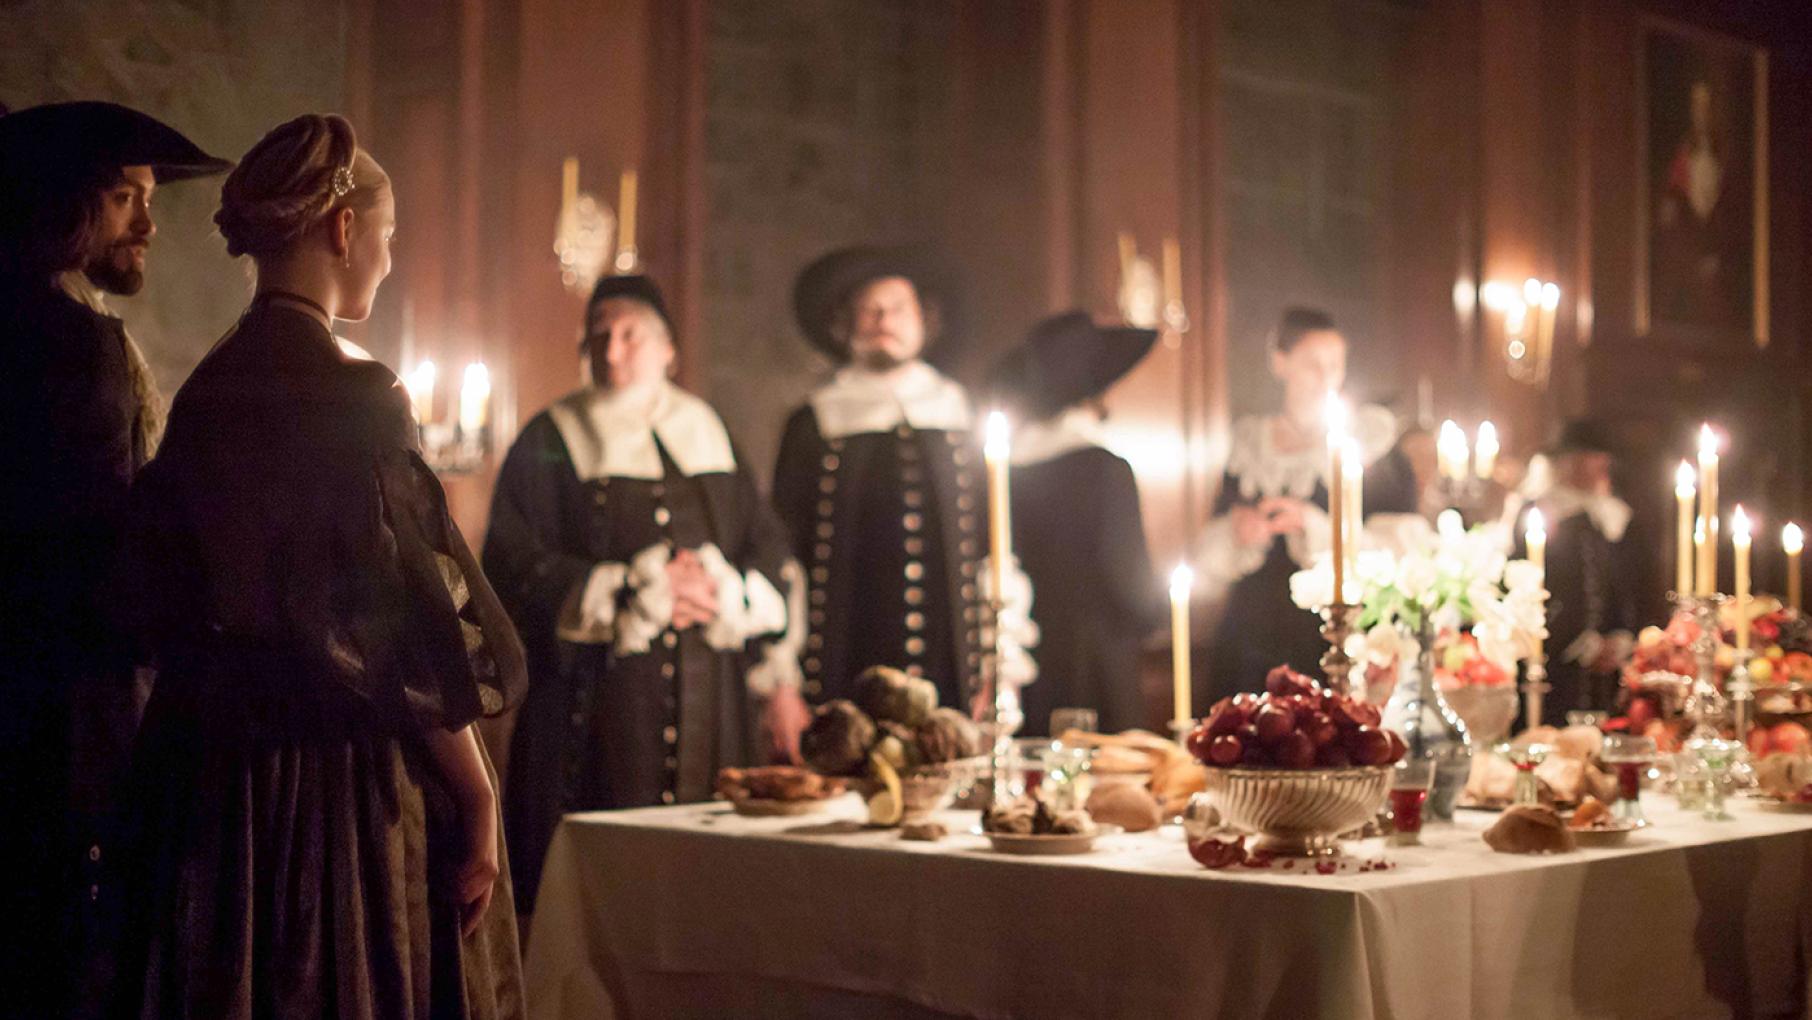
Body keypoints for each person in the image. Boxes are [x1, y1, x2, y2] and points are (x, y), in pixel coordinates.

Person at [111, 114, 527, 1018]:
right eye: (388, 235)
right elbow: (404, 625)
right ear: (344, 230)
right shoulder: (356, 396)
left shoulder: (207, 392)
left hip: (206, 776)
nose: (386, 258)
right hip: (328, 783)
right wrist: (478, 794)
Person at [0, 100, 229, 1020]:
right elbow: (99, 549)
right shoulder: (71, 346)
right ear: (68, 208)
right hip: (60, 711)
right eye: (128, 195)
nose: (150, 218)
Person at [483, 273, 804, 917]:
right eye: (598, 335)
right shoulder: (550, 437)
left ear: (668, 351)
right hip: (598, 709)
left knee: (706, 900)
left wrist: (722, 592)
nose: (611, 349)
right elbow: (513, 562)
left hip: (715, 706)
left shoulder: (706, 428)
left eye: (630, 334)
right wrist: (630, 592)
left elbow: (765, 544)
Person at [773, 247, 1010, 711]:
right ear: (845, 325)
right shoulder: (813, 422)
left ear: (924, 321)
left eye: (899, 308)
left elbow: (995, 548)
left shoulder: (960, 414)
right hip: (842, 668)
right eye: (870, 309)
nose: (885, 320)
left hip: (950, 670)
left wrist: (998, 670)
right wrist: (783, 685)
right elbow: (786, 557)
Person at [1194, 307, 1414, 702]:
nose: (1326, 378)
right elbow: (1212, 544)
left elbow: (1399, 547)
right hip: (1251, 636)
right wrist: (1238, 530)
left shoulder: (1371, 445)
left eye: (1335, 365)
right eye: (1313, 365)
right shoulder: (1249, 447)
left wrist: (1314, 527)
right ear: (1281, 363)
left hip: (1330, 634)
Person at [987, 311, 1166, 734]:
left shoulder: (1004, 470)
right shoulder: (1104, 469)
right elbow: (1130, 585)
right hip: (1094, 667)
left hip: (1022, 659)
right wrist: (1155, 613)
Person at [1511, 421, 1638, 726]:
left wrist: (1621, 636)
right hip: (1556, 662)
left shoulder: (1609, 514)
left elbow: (1623, 583)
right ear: (1568, 462)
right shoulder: (1538, 513)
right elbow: (1529, 587)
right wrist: (1582, 643)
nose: (1602, 467)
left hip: (1606, 672)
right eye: (1593, 458)